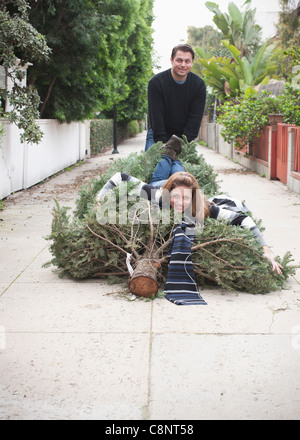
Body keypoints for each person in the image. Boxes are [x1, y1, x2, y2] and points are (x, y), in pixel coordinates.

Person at [96, 136, 282, 275]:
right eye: (176, 197)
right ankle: (169, 155)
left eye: (186, 198)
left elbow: (243, 219)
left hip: (178, 184)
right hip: (161, 183)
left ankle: (173, 155)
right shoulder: (159, 195)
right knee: (158, 177)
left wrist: (266, 250)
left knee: (181, 173)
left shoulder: (204, 206)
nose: (180, 203)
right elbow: (120, 177)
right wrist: (99, 199)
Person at [145, 44, 207, 151]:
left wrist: (182, 144)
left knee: (182, 167)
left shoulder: (198, 85)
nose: (183, 65)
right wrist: (165, 146)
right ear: (171, 60)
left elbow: (195, 120)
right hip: (158, 134)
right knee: (156, 166)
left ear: (192, 62)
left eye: (187, 61)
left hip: (184, 137)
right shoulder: (156, 83)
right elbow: (156, 117)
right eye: (179, 60)